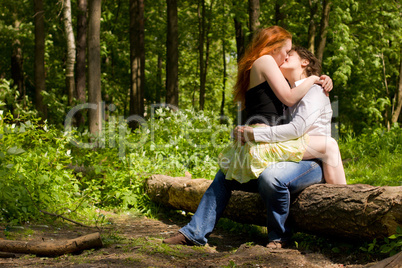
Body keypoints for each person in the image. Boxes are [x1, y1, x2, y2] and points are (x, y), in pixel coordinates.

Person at [163, 26, 333, 249]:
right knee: (224, 177)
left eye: (291, 53)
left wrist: (318, 79)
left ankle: (278, 237)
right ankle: (194, 232)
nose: (286, 56)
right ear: (274, 47)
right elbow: (288, 101)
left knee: (255, 177)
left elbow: (292, 110)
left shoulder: (292, 80)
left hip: (296, 152)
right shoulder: (267, 63)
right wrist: (313, 78)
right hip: (273, 145)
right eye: (286, 50)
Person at [219, 46, 346, 185]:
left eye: (290, 54)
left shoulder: (316, 90)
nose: (284, 57)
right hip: (292, 153)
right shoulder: (286, 96)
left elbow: (296, 129)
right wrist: (242, 131)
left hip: (314, 159)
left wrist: (255, 134)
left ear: (305, 62)